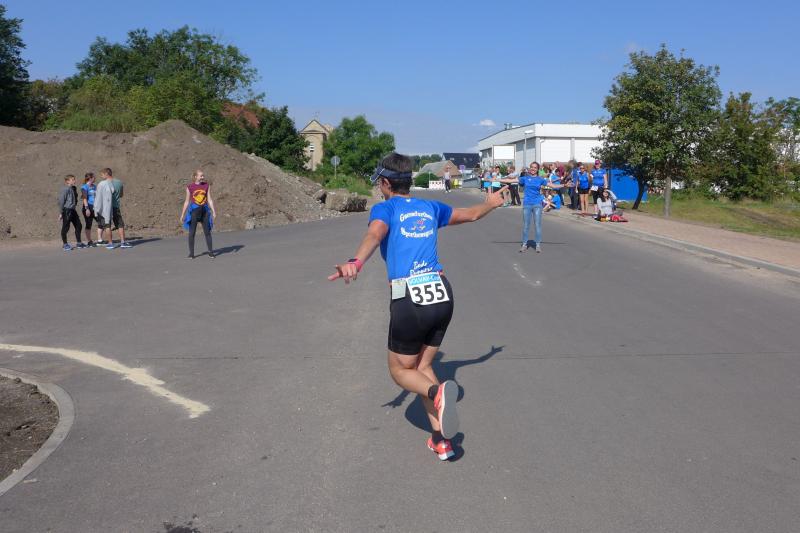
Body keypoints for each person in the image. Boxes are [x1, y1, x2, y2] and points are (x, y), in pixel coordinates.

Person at [328, 152, 507, 461]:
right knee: (422, 367)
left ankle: (436, 393)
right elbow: (470, 215)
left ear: (386, 183)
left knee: (400, 370)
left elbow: (375, 233)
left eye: (379, 183)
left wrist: (356, 262)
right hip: (442, 293)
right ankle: (441, 440)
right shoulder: (430, 207)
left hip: (410, 297)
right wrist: (490, 203)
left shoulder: (385, 208)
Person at [503, 162, 566, 253]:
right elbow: (511, 180)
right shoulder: (525, 178)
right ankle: (524, 244)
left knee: (537, 225)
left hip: (537, 204)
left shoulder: (540, 179)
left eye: (535, 167)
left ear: (537, 169)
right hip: (527, 204)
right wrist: (495, 179)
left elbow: (552, 185)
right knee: (526, 225)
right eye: (532, 167)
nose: (533, 169)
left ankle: (538, 244)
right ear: (530, 168)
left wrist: (564, 185)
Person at [180, 169, 217, 259]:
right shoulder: (190, 187)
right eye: (201, 176)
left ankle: (210, 252)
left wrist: (213, 211)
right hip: (194, 212)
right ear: (195, 177)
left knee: (207, 232)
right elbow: (186, 201)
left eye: (203, 175)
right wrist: (182, 214)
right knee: (192, 233)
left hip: (205, 212)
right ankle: (191, 254)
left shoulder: (206, 186)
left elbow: (209, 199)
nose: (203, 177)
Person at [57, 175, 84, 251]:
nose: (74, 181)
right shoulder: (65, 189)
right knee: (66, 227)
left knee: (79, 225)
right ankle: (65, 244)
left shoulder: (73, 188)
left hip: (72, 210)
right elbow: (61, 201)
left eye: (74, 179)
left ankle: (79, 243)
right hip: (67, 210)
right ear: (67, 181)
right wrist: (61, 212)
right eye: (72, 179)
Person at [94, 170, 114, 249]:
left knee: (104, 225)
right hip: (107, 209)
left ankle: (109, 243)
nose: (101, 176)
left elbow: (98, 198)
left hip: (102, 209)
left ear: (106, 174)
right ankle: (108, 242)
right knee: (106, 225)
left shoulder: (102, 184)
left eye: (102, 174)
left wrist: (96, 209)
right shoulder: (110, 183)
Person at [80, 172, 98, 247]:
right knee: (88, 224)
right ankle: (89, 241)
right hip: (88, 207)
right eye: (93, 177)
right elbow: (84, 198)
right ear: (90, 178)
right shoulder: (84, 187)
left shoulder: (95, 186)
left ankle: (100, 239)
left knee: (101, 222)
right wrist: (87, 208)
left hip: (95, 207)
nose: (95, 178)